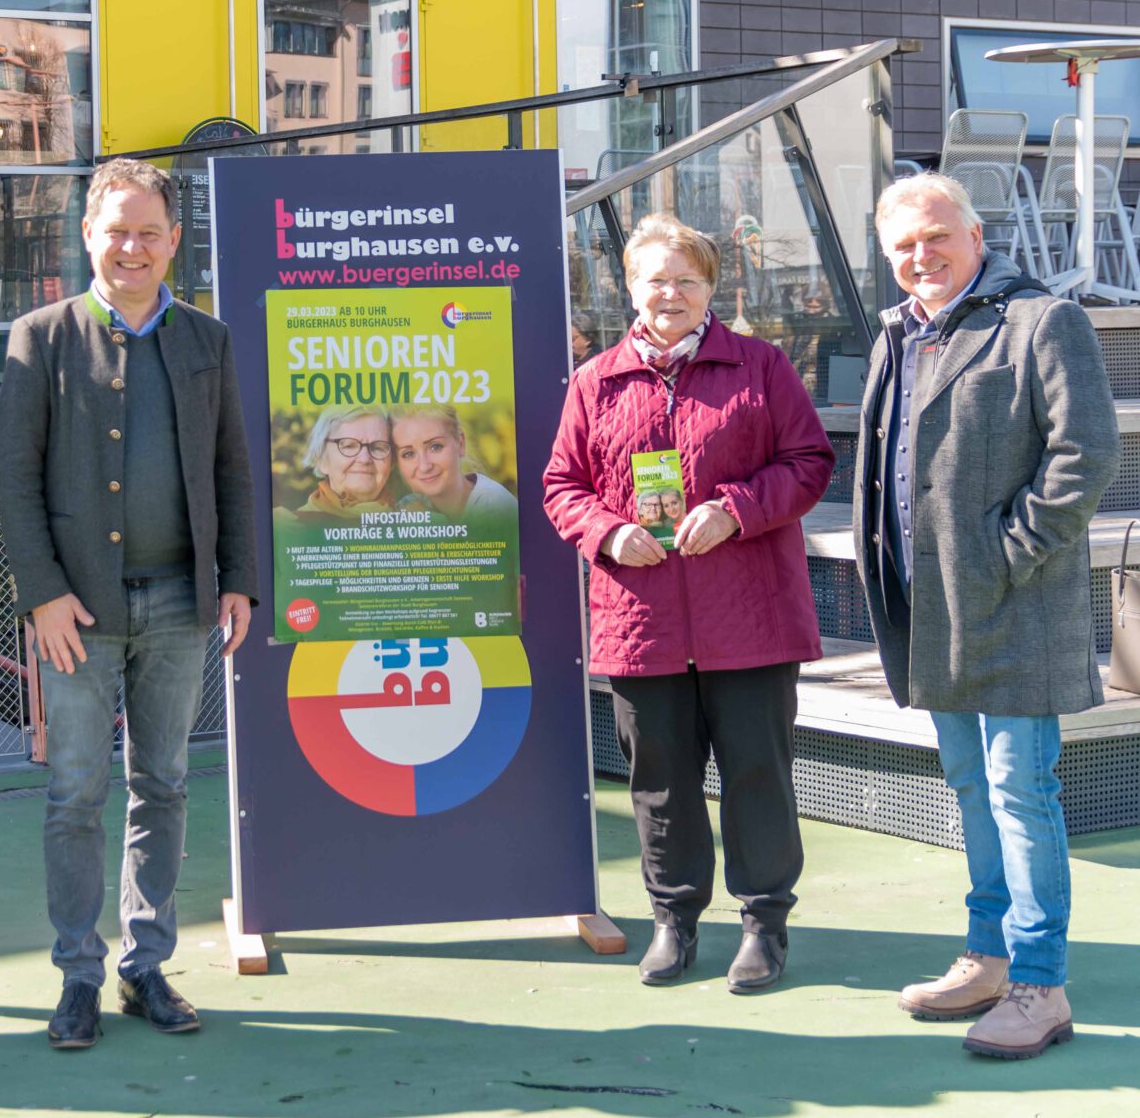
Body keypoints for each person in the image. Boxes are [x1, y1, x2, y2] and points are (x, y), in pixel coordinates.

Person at [0, 158, 256, 1050]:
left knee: (165, 786)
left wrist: (238, 579)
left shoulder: (207, 342)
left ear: (174, 241)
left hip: (183, 605)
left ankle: (146, 966)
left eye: (149, 231)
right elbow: (15, 481)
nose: (132, 247)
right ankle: (77, 972)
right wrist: (44, 597)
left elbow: (233, 470)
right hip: (78, 615)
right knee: (74, 794)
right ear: (88, 236)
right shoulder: (42, 337)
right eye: (117, 231)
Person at [854, 174, 1116, 1060]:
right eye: (903, 248)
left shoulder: (1042, 321)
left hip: (1011, 605)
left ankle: (1041, 985)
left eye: (937, 239)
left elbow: (1085, 456)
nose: (921, 258)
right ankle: (990, 955)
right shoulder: (901, 332)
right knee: (973, 790)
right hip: (932, 611)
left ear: (975, 233)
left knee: (1019, 794)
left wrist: (1007, 555)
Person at [543, 213, 832, 994]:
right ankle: (674, 922)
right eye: (654, 279)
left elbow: (810, 462)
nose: (669, 294)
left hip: (752, 617)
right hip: (641, 622)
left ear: (713, 288)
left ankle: (763, 925)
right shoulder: (594, 381)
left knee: (757, 774)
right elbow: (561, 487)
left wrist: (737, 507)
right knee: (661, 781)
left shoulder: (762, 367)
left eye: (687, 280)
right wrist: (605, 532)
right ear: (629, 287)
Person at [390, 405, 516, 521]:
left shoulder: (497, 509)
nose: (424, 467)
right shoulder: (409, 508)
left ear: (460, 444)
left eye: (435, 447)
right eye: (408, 454)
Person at [290, 405, 396, 519]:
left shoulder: (410, 523)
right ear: (322, 459)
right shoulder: (290, 528)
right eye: (349, 446)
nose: (365, 459)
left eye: (378, 448)